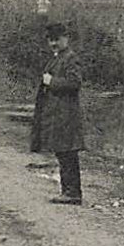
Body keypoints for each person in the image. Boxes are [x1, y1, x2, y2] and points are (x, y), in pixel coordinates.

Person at [30, 21, 85, 205]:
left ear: (65, 39)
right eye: (50, 40)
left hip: (66, 115)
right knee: (62, 153)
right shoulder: (56, 58)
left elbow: (74, 83)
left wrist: (51, 81)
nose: (53, 43)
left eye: (57, 40)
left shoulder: (71, 58)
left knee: (67, 153)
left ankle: (73, 193)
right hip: (57, 114)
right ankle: (68, 191)